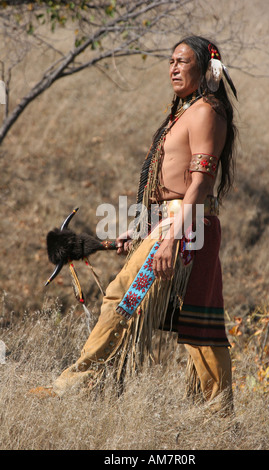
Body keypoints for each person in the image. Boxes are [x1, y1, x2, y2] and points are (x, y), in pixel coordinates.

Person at [32, 36, 237, 413]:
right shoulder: (185, 110)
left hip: (186, 228)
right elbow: (171, 187)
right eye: (170, 60)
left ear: (206, 70)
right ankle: (218, 419)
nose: (173, 68)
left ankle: (75, 388)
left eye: (182, 61)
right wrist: (143, 225)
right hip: (177, 224)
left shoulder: (207, 110)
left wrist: (172, 238)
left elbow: (201, 183)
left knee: (125, 300)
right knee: (197, 326)